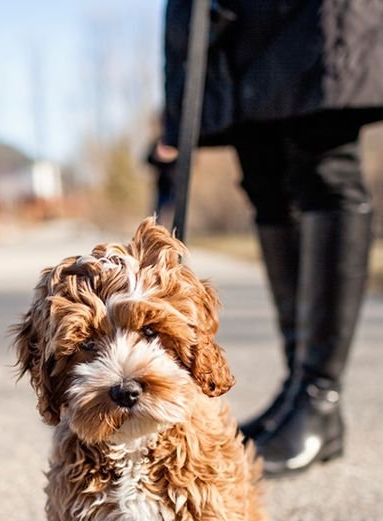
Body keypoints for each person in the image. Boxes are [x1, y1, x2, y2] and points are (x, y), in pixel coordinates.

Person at [157, 0, 383, 475]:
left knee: (323, 163)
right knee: (265, 180)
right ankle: (296, 389)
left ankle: (319, 397)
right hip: (237, 18)